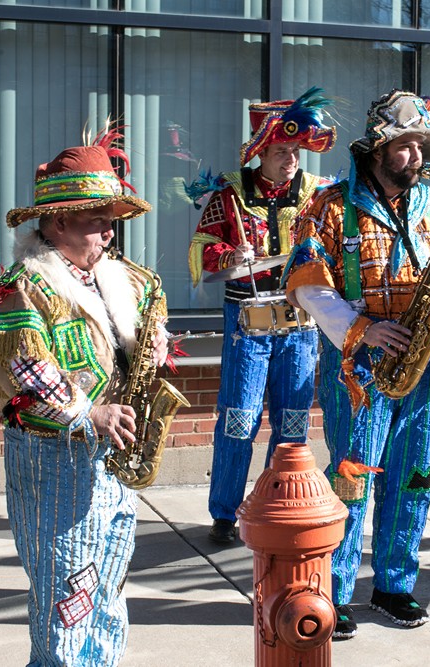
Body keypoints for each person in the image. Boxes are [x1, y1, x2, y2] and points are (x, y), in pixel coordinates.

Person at [0, 129, 172, 666]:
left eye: (112, 220)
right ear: (58, 221)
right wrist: (88, 411)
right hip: (57, 460)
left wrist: (155, 345)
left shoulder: (122, 280)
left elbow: (139, 345)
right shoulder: (26, 283)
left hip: (113, 457)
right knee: (67, 589)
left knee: (110, 588)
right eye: (98, 219)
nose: (109, 232)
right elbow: (22, 365)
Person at [285, 89, 430, 639]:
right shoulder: (327, 207)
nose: (415, 155)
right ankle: (335, 590)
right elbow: (308, 287)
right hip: (361, 371)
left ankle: (394, 584)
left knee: (413, 477)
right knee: (352, 478)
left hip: (425, 367)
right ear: (376, 148)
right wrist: (364, 329)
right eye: (405, 144)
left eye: (421, 146)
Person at [185, 88, 336, 544]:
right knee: (239, 417)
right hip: (246, 324)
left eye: (295, 151)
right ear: (261, 152)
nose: (291, 159)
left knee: (292, 418)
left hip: (301, 322)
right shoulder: (228, 194)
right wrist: (232, 251)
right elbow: (200, 253)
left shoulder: (318, 194)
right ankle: (224, 512)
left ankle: (280, 500)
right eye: (281, 151)